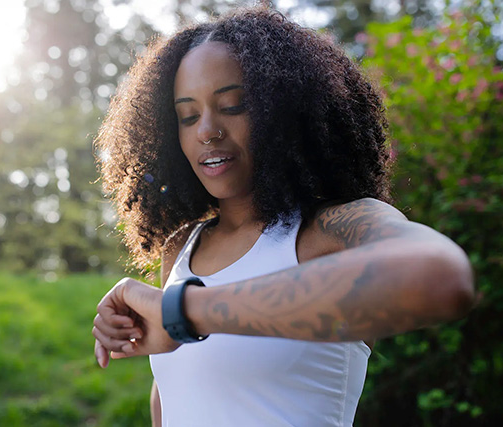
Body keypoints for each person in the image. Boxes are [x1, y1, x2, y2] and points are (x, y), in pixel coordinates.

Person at [92, 6, 475, 427]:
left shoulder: (330, 230)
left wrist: (183, 312)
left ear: (285, 111)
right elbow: (173, 403)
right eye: (188, 116)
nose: (207, 130)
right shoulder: (181, 249)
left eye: (234, 105)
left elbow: (440, 277)